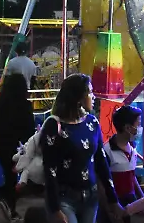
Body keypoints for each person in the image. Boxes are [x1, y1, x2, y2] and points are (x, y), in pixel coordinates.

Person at [40, 73, 124, 223]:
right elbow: (50, 169)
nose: (94, 96)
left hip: (91, 198)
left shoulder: (92, 123)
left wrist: (113, 199)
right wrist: (54, 208)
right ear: (78, 98)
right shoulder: (54, 125)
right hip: (64, 199)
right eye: (90, 92)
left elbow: (101, 161)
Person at [0, 74, 37, 221]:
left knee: (9, 175)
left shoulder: (1, 101)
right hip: (17, 147)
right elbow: (28, 129)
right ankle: (8, 204)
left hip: (1, 144)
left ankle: (8, 205)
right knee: (15, 178)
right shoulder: (24, 104)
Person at [106, 106, 144, 205]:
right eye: (138, 125)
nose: (140, 129)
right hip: (114, 203)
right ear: (127, 128)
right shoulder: (107, 150)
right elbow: (103, 183)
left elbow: (131, 175)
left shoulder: (132, 147)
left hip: (129, 202)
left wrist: (142, 197)